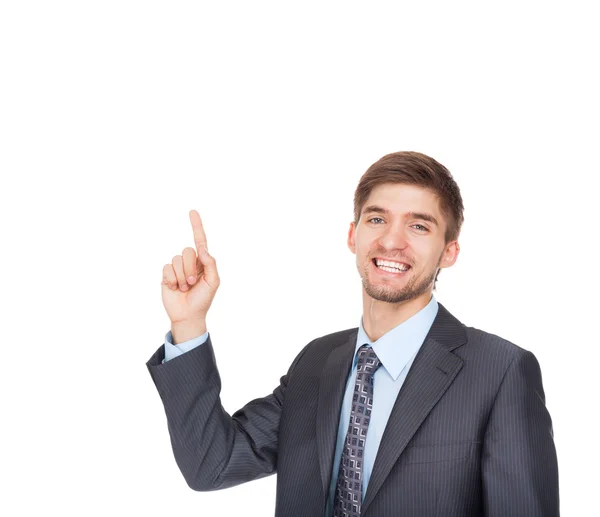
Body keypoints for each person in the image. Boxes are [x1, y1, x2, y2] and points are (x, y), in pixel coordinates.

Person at [146, 151, 560, 517]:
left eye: (419, 226)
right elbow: (211, 465)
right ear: (353, 235)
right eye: (377, 219)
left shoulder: (501, 371)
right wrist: (188, 324)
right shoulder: (316, 362)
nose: (392, 240)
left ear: (448, 252)